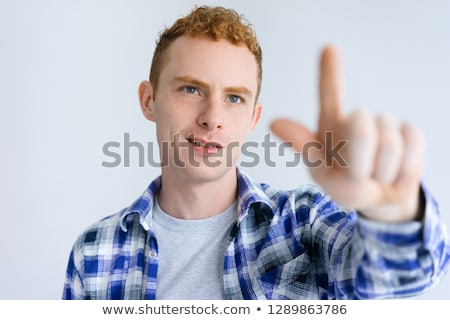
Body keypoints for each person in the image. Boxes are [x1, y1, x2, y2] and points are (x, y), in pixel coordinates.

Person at [62, 5, 450, 300]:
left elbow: (393, 278)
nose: (212, 118)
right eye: (191, 89)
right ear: (149, 100)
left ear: (252, 117)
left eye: (234, 97)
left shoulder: (304, 223)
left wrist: (392, 213)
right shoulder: (95, 251)